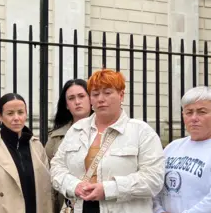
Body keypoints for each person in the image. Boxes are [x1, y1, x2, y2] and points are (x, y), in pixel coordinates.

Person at [51, 68, 165, 213]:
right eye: (95, 94)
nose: (100, 99)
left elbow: (154, 179)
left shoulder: (142, 132)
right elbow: (56, 167)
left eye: (107, 93)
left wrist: (108, 189)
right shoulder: (76, 130)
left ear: (121, 95)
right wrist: (74, 186)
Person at [153, 86, 211, 213]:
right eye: (189, 112)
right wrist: (158, 211)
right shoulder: (172, 148)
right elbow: (155, 186)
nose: (194, 118)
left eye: (202, 112)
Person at [0, 93, 52, 213]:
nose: (16, 118)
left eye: (20, 112)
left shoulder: (36, 146)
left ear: (26, 114)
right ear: (0, 116)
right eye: (10, 113)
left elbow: (47, 188)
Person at [45, 79, 92, 212]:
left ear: (90, 99)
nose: (77, 102)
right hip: (67, 205)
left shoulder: (106, 131)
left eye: (81, 96)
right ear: (66, 105)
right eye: (71, 98)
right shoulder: (55, 138)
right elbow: (47, 177)